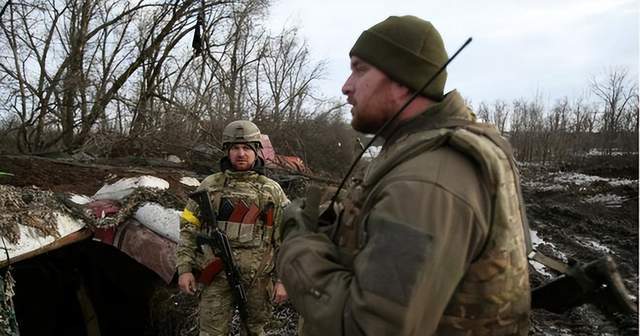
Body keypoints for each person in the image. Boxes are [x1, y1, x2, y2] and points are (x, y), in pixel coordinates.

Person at [276, 15, 531, 336]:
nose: (346, 86)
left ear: (401, 79)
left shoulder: (429, 179)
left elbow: (368, 327)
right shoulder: (419, 150)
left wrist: (297, 247)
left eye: (360, 69)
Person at [176, 120, 290, 336]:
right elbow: (188, 228)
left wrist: (282, 280)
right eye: (235, 148)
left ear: (257, 151)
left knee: (256, 331)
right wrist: (185, 269)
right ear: (226, 151)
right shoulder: (209, 186)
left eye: (247, 148)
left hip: (258, 280)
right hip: (216, 276)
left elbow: (285, 239)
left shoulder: (271, 191)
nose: (241, 153)